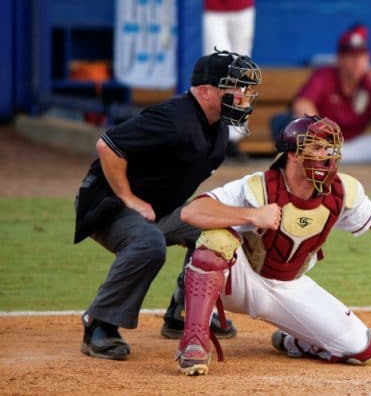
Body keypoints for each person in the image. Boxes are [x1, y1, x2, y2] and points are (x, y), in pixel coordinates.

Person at [172, 115, 371, 375]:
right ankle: (194, 342)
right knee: (215, 239)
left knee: (365, 349)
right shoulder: (257, 187)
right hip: (239, 279)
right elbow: (192, 211)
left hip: (289, 286)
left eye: (330, 149)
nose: (329, 156)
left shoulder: (341, 192)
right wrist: (251, 214)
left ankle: (294, 341)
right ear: (294, 154)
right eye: (319, 148)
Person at [75, 50, 262, 360]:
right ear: (205, 91)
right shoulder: (173, 119)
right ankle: (100, 323)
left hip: (158, 207)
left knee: (213, 226)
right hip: (106, 204)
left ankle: (184, 312)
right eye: (234, 87)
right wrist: (128, 198)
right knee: (149, 244)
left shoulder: (218, 127)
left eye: (245, 88)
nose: (242, 95)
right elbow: (108, 145)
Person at [284, 24, 371, 163]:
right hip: (324, 144)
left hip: (353, 146)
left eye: (361, 55)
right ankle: (329, 157)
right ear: (340, 58)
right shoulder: (325, 76)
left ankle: (332, 158)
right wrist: (323, 136)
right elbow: (302, 104)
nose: (357, 61)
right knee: (309, 145)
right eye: (351, 55)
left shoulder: (370, 82)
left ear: (368, 58)